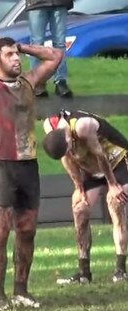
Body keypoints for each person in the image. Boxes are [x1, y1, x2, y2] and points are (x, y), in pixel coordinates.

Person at [0, 37, 63, 311]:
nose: (16, 59)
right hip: (1, 166)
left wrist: (24, 46)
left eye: (16, 54)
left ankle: (21, 290)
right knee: (0, 231)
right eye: (9, 55)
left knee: (27, 230)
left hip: (28, 164)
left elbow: (55, 56)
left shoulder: (29, 81)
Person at [43, 109, 128, 284]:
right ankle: (84, 272)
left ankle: (120, 268)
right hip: (92, 169)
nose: (70, 153)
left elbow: (101, 155)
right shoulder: (49, 126)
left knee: (115, 203)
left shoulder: (82, 126)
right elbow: (66, 159)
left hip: (116, 161)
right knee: (79, 208)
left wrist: (112, 185)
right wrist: (78, 185)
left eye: (69, 148)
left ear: (68, 138)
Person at [26, 0, 74, 98]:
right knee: (37, 44)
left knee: (60, 43)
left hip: (59, 3)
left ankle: (61, 81)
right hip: (37, 3)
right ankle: (37, 82)